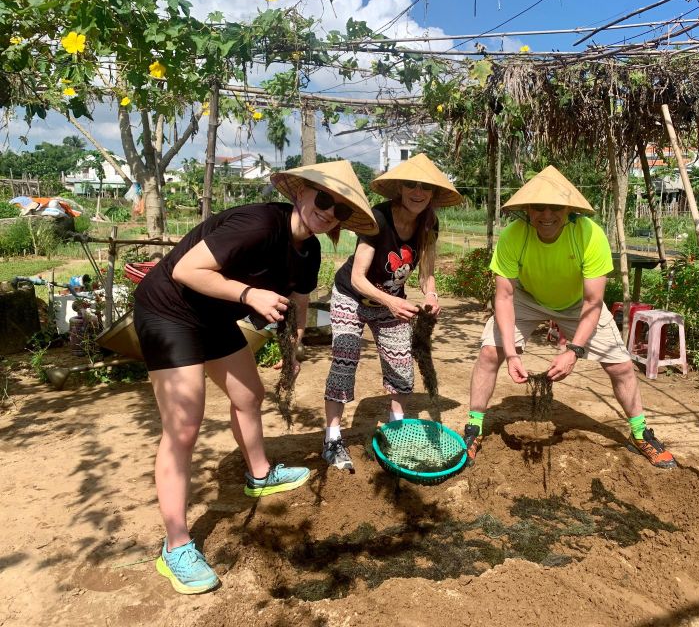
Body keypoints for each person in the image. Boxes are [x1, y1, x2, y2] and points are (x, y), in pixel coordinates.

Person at [133, 161, 377, 594]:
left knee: (250, 394)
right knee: (184, 426)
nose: (328, 212)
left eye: (339, 210)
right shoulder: (258, 223)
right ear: (301, 192)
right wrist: (249, 294)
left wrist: (293, 347)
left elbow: (299, 301)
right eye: (324, 199)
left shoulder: (310, 250)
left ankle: (260, 475)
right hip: (169, 309)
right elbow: (185, 271)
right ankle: (176, 546)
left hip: (212, 314)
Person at [464, 165, 677, 470]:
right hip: (527, 297)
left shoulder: (589, 236)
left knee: (621, 366)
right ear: (526, 209)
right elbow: (504, 296)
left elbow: (593, 301)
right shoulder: (514, 236)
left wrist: (573, 350)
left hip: (578, 302)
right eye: (538, 206)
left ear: (568, 209)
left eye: (555, 207)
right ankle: (473, 428)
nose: (546, 214)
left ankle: (641, 433)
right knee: (488, 353)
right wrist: (511, 354)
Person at [322, 154, 462, 470]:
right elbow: (358, 277)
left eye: (425, 187)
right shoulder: (379, 219)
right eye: (411, 184)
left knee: (401, 364)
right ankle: (332, 438)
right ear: (399, 187)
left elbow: (426, 273)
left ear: (433, 194)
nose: (417, 192)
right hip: (352, 296)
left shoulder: (429, 223)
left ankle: (396, 426)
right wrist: (390, 302)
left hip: (392, 299)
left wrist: (431, 294)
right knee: (345, 357)